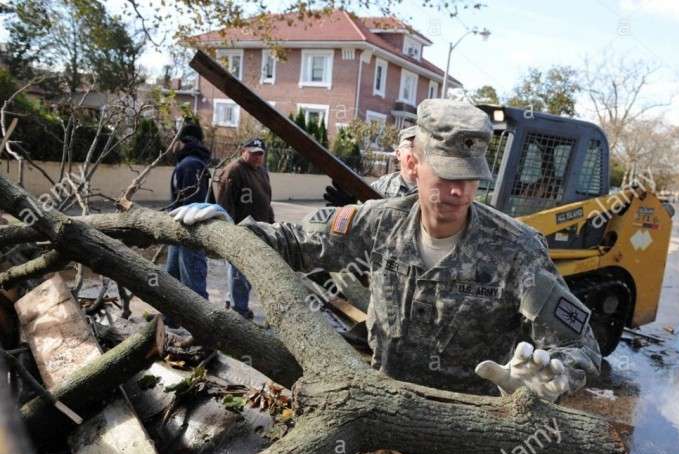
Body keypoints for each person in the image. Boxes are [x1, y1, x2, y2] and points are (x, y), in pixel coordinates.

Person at [171, 99, 601, 400]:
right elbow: (290, 243)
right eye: (446, 174)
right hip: (386, 410)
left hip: (475, 428)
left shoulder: (516, 249)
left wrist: (555, 376)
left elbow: (579, 344)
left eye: (469, 179)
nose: (457, 190)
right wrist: (228, 231)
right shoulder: (379, 223)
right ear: (414, 165)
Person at [217, 137, 274, 319]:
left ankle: (232, 302)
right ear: (244, 151)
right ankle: (239, 310)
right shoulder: (234, 170)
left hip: (259, 228)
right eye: (253, 153)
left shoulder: (262, 171)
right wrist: (229, 231)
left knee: (249, 271)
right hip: (240, 230)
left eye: (260, 154)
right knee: (238, 271)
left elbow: (266, 200)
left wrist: (271, 224)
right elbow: (224, 203)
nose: (257, 157)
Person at [164, 121, 212, 308]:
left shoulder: (190, 165)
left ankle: (204, 325)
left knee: (193, 283)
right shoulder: (189, 163)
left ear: (184, 141)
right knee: (172, 278)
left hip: (189, 231)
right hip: (178, 230)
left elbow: (193, 206)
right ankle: (171, 318)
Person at [323, 125, 417, 206]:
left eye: (423, 147)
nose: (417, 153)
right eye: (412, 146)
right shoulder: (381, 187)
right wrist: (352, 209)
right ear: (398, 154)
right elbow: (366, 220)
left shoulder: (430, 190)